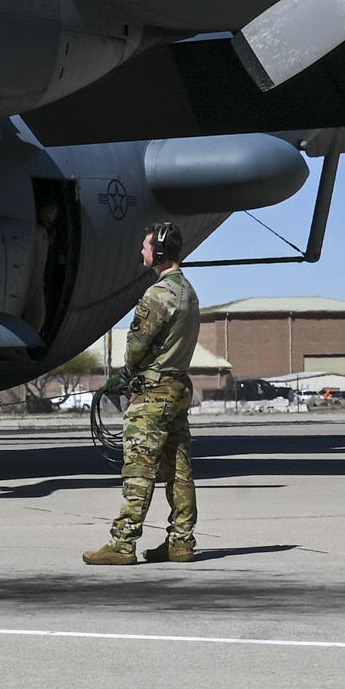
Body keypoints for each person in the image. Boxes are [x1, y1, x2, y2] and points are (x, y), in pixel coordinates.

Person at [84, 220, 199, 565]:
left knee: (139, 469)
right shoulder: (188, 291)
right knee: (179, 469)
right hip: (177, 387)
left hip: (153, 394)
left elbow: (136, 347)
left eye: (146, 246)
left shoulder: (159, 293)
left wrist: (127, 371)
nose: (142, 252)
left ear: (159, 253)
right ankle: (181, 541)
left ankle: (122, 544)